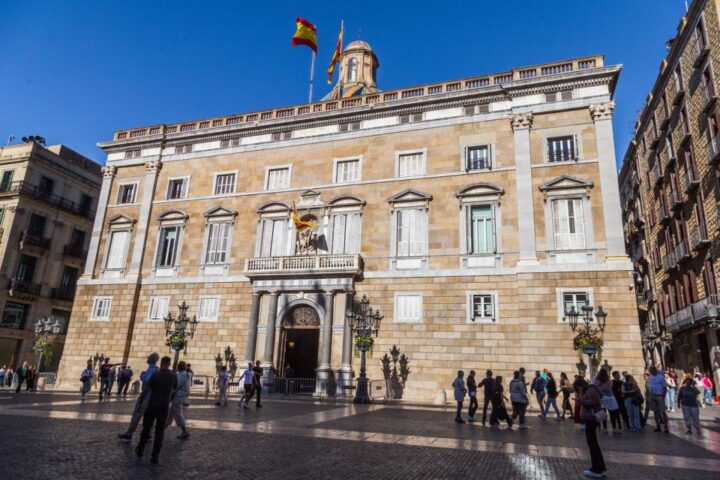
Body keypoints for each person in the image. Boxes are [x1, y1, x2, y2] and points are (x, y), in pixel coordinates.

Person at [135, 356, 177, 464]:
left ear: (161, 363)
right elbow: (174, 388)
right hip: (164, 406)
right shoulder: (173, 376)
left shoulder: (156, 375)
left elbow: (148, 388)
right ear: (169, 364)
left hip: (152, 404)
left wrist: (141, 399)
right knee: (159, 431)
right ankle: (155, 455)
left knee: (147, 428)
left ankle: (140, 449)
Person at [118, 353, 159, 440]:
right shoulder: (157, 369)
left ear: (152, 359)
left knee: (137, 414)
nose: (147, 357)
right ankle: (148, 434)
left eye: (149, 356)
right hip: (153, 397)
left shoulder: (152, 368)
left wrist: (142, 375)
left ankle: (129, 433)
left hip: (146, 395)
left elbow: (147, 380)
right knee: (149, 417)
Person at [578, 369, 608, 478]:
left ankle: (596, 469)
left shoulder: (589, 391)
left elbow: (594, 402)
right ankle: (599, 467)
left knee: (592, 444)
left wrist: (580, 400)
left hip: (591, 419)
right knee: (593, 444)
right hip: (591, 419)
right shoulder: (591, 389)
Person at [166, 361, 190, 440]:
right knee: (171, 413)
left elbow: (175, 387)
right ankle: (162, 428)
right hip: (179, 396)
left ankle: (184, 431)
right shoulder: (184, 374)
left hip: (178, 397)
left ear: (178, 367)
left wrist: (169, 394)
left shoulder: (181, 375)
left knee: (177, 413)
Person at [647, 366, 669, 433]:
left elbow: (664, 388)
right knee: (655, 412)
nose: (650, 372)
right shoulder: (650, 377)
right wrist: (649, 396)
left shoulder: (661, 377)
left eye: (651, 371)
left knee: (663, 411)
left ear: (654, 370)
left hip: (660, 396)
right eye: (650, 371)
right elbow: (649, 388)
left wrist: (663, 396)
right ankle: (658, 425)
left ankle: (665, 426)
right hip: (652, 396)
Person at [598, 369, 620, 435]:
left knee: (603, 414)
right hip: (610, 397)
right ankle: (614, 429)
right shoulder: (609, 381)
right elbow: (610, 387)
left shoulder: (597, 381)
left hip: (602, 398)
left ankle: (605, 429)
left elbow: (596, 388)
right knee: (612, 414)